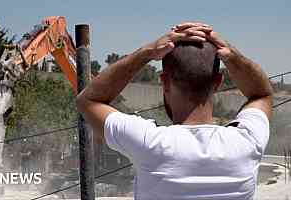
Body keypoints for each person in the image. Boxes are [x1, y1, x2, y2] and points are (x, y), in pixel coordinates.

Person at [76, 22, 273, 200]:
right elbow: (262, 94)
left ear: (164, 82)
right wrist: (232, 55)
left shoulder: (148, 142)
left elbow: (88, 100)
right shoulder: (247, 141)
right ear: (218, 82)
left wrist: (146, 53)